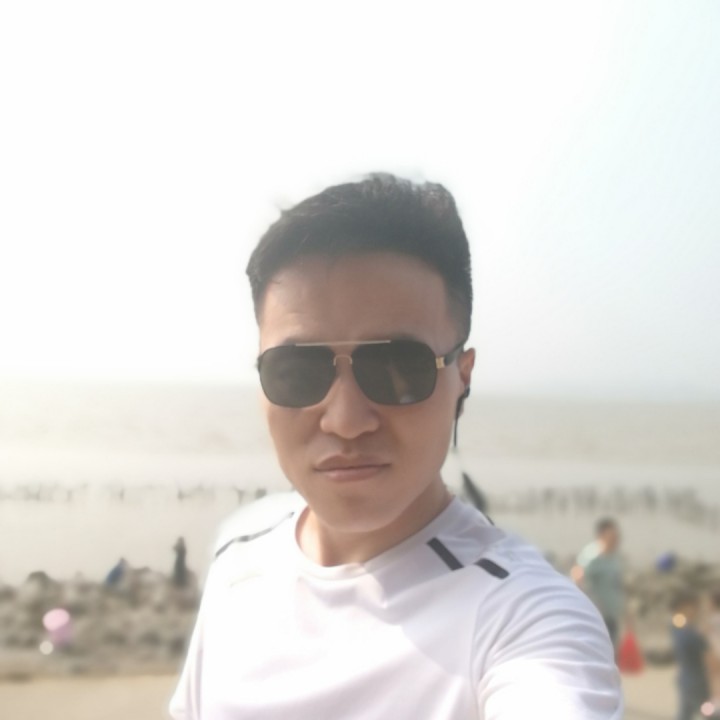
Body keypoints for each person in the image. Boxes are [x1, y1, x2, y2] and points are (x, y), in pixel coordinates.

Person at [170, 174, 622, 719]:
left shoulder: (518, 617)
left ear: (463, 377)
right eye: (297, 371)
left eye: (398, 369)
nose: (345, 421)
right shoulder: (237, 557)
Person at [574, 517, 624, 650]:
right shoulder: (592, 557)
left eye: (616, 536)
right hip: (595, 617)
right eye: (612, 536)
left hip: (610, 616)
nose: (615, 539)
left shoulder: (614, 558)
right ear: (602, 536)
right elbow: (578, 578)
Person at [670, 590, 712, 720]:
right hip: (697, 682)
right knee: (709, 712)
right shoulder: (686, 630)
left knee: (686, 713)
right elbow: (707, 655)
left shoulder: (680, 626)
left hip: (687, 680)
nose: (696, 609)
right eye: (694, 606)